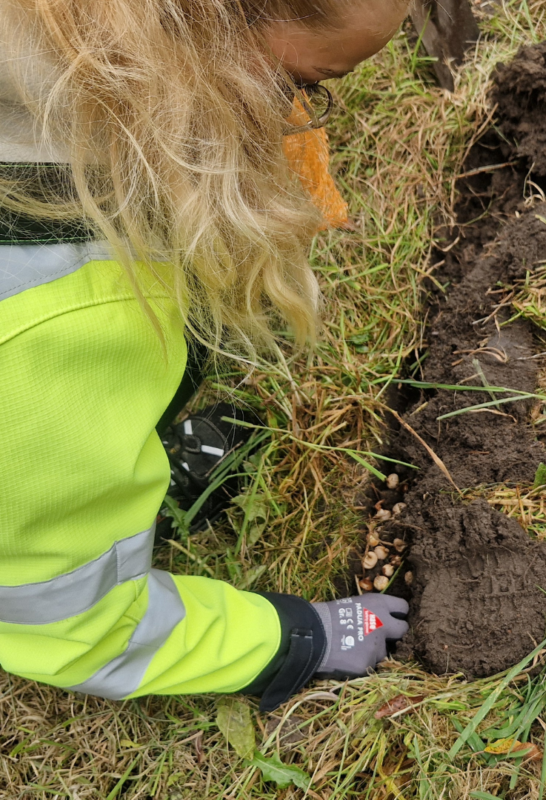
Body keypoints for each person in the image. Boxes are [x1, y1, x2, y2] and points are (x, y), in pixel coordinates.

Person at [0, 0, 410, 714]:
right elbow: (72, 621)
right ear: (205, 31)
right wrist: (290, 639)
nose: (298, 118)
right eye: (300, 85)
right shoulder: (61, 313)